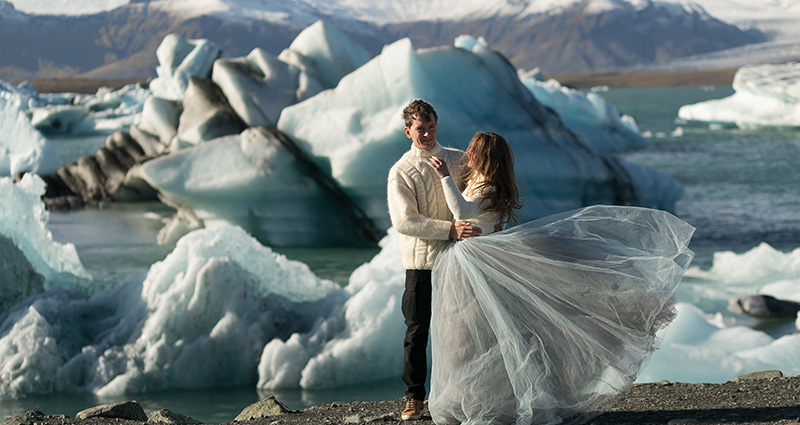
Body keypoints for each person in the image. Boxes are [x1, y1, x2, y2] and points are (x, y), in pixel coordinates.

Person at [426, 132, 695, 425]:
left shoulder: (489, 186)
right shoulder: (479, 180)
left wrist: (443, 176)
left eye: (472, 150)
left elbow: (462, 210)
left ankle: (496, 402)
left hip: (478, 263)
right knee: (470, 337)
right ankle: (473, 398)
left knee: (491, 333)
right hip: (470, 262)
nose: (467, 154)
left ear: (484, 155)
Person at [387, 100, 483, 421]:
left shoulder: (457, 160)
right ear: (407, 132)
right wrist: (449, 230)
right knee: (417, 331)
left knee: (463, 332)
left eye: (430, 127)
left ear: (436, 125)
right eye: (419, 129)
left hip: (458, 262)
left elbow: (482, 195)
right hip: (421, 266)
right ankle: (414, 397)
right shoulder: (401, 171)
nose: (426, 134)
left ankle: (462, 394)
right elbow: (405, 221)